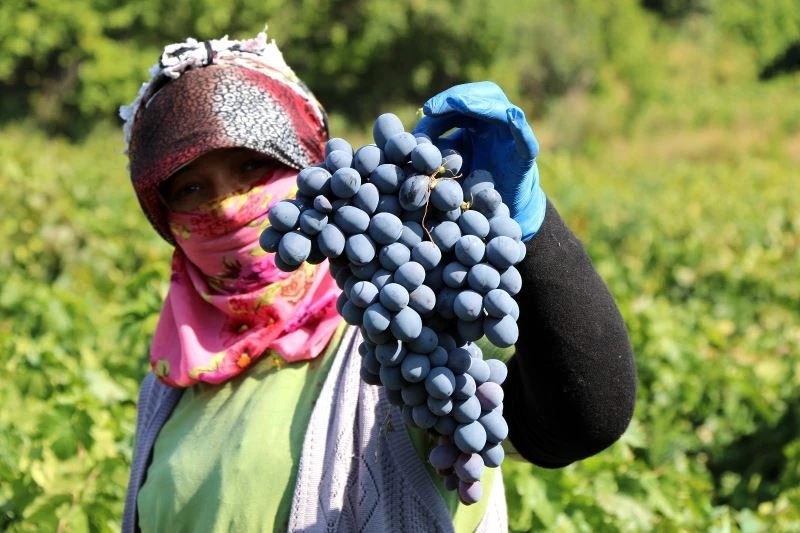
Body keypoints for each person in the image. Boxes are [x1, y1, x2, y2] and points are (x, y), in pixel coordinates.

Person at [120, 30, 637, 533]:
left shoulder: (395, 331)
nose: (230, 205)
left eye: (253, 165)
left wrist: (533, 230)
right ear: (163, 217)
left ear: (309, 165)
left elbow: (578, 422)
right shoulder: (170, 381)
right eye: (190, 187)